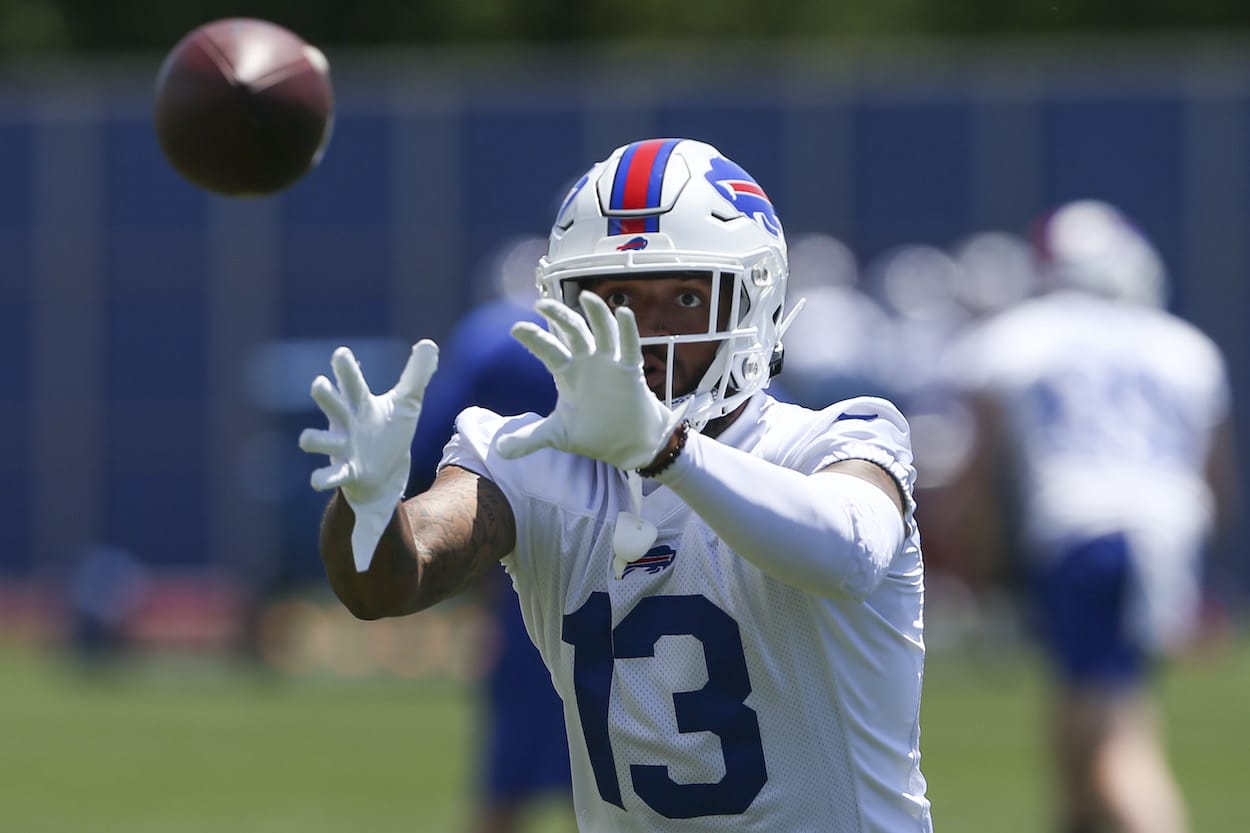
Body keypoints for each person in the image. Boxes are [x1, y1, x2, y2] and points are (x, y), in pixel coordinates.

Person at [298, 138, 933, 832]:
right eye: (618, 295)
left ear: (755, 303)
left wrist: (665, 450)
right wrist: (365, 501)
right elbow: (386, 583)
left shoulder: (841, 437)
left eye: (687, 296)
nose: (644, 330)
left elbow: (847, 551)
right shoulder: (526, 458)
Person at [944, 199, 1241, 833]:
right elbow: (1215, 483)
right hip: (1163, 535)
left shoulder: (1013, 338)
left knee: (1117, 740)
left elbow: (980, 475)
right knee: (1084, 721)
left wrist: (981, 561)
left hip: (1078, 536)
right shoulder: (1186, 347)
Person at [407, 237, 572, 833]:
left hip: (520, 559)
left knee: (510, 769)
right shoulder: (619, 342)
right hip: (633, 556)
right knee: (615, 766)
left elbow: (429, 447)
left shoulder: (490, 334)